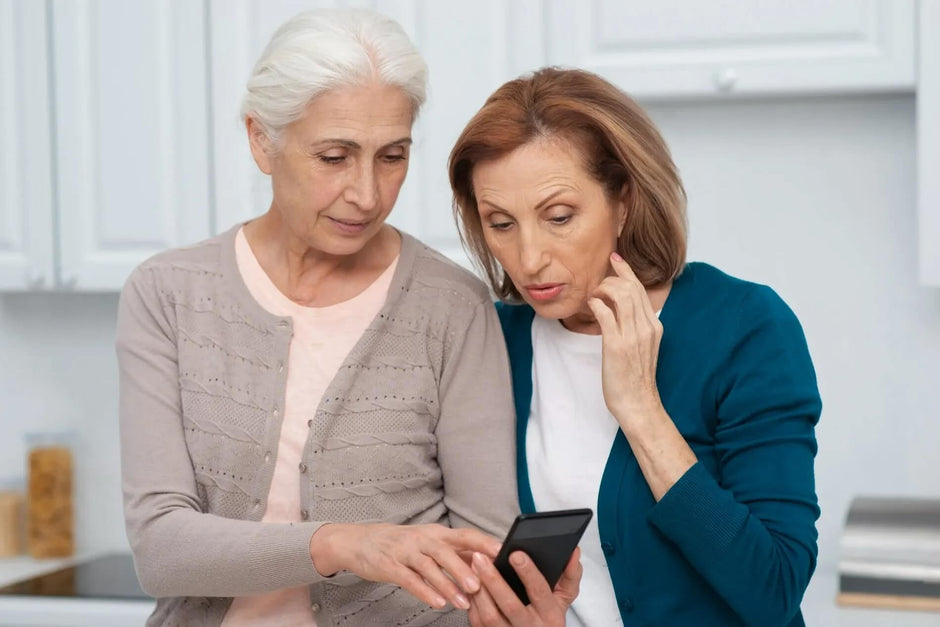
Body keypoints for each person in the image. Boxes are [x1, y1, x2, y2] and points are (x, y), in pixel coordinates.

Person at [116, 9, 519, 626]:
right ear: (261, 140)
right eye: (335, 156)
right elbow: (160, 549)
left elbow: (484, 551)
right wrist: (339, 544)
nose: (367, 193)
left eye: (392, 156)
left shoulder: (452, 305)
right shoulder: (168, 294)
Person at [449, 68, 821, 626]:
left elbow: (773, 589)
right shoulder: (492, 341)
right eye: (501, 224)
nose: (529, 259)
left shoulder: (743, 327)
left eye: (559, 217)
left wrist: (641, 410)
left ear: (623, 199)